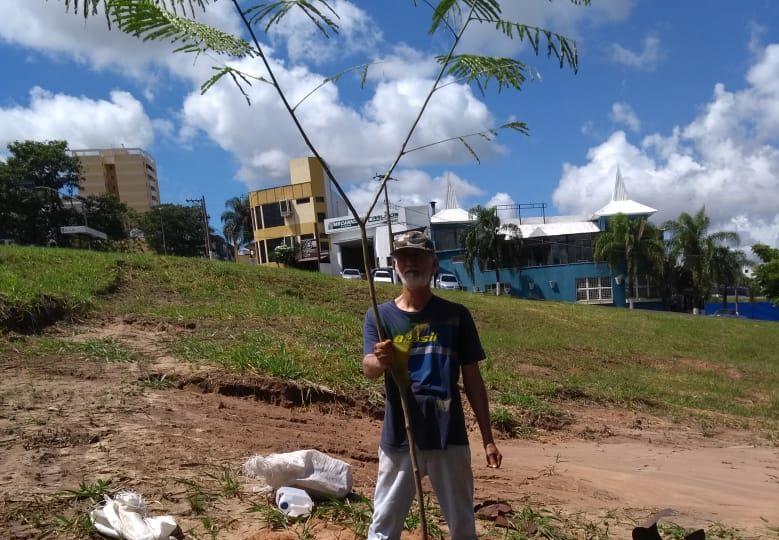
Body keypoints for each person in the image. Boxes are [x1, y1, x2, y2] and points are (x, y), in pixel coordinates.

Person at [362, 230, 502, 540]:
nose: (411, 263)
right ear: (395, 265)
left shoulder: (456, 316)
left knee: (463, 527)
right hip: (401, 437)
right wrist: (381, 359)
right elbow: (368, 367)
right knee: (383, 527)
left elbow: (473, 381)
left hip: (448, 435)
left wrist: (488, 438)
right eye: (404, 257)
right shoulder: (380, 316)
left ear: (434, 264)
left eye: (418, 257)